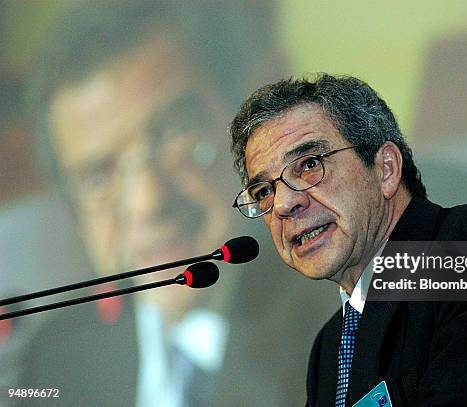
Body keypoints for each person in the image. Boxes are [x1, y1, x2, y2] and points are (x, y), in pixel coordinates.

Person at [3, 2, 337, 406]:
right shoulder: (55, 361)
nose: (148, 202)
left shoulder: (352, 325)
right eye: (99, 176)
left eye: (176, 133)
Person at [229, 74, 467, 406]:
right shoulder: (328, 349)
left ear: (386, 169)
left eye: (308, 165)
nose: (283, 203)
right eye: (263, 190)